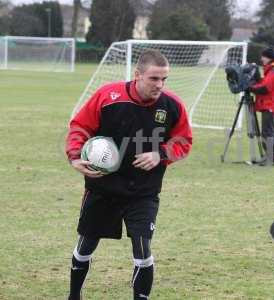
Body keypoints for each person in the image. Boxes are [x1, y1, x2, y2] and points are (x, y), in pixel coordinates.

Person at [65, 49, 192, 300]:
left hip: (143, 192)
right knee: (85, 246)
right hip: (103, 188)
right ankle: (73, 296)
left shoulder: (172, 105)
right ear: (137, 75)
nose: (160, 85)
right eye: (154, 78)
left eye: (164, 79)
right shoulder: (107, 96)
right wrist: (75, 155)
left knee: (143, 248)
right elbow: (80, 126)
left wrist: (161, 154)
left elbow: (183, 141)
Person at [249, 46, 274, 164]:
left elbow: (265, 88)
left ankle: (270, 158)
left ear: (269, 58)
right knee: (269, 132)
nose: (261, 59)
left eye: (263, 56)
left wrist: (250, 88)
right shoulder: (271, 71)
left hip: (270, 106)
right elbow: (263, 83)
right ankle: (271, 157)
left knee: (267, 132)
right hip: (269, 106)